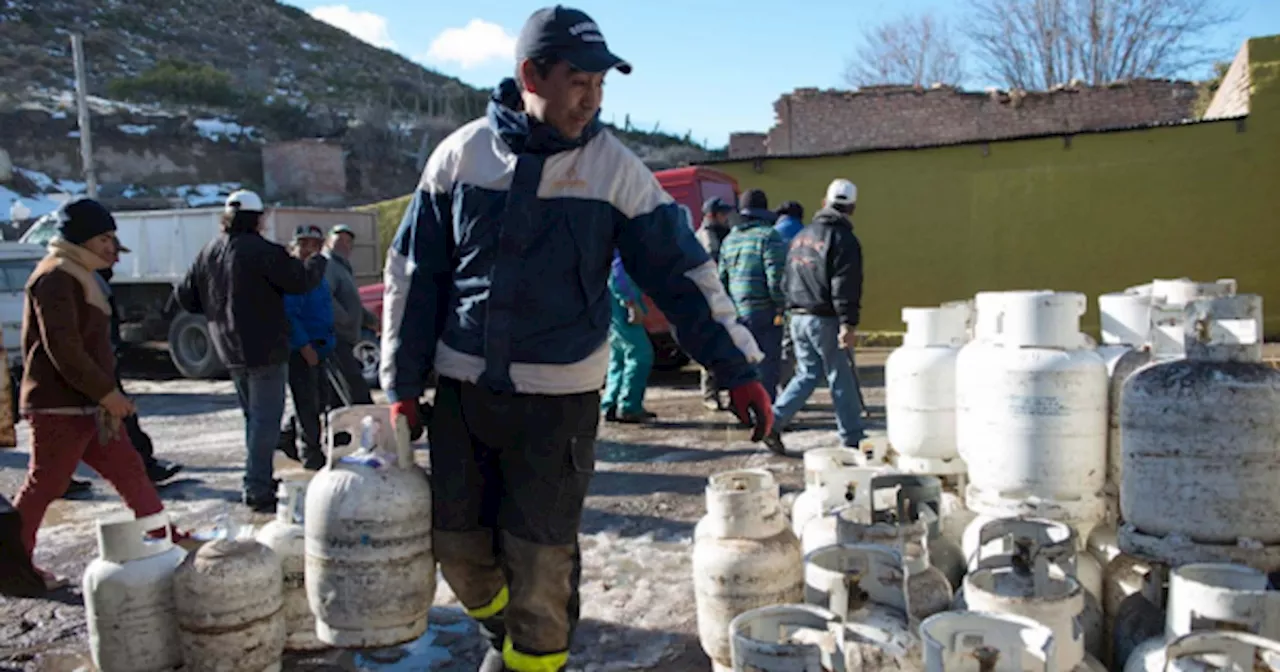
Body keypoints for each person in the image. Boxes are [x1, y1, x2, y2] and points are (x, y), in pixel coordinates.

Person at [381, 7, 773, 671]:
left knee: (540, 564)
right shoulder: (462, 157)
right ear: (532, 74)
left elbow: (683, 276)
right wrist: (401, 386)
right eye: (578, 82)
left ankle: (533, 659)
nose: (591, 99)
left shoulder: (614, 170)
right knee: (458, 550)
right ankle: (509, 641)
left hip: (557, 408)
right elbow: (414, 277)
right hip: (462, 395)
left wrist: (737, 369)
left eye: (600, 86)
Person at [12, 198, 176, 590]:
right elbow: (63, 348)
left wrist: (104, 396)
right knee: (46, 484)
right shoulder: (55, 277)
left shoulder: (79, 273)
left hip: (89, 407)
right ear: (82, 238)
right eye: (105, 238)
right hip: (61, 406)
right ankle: (12, 565)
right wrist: (107, 393)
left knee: (130, 471)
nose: (111, 247)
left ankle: (165, 540)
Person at [174, 190, 327, 513]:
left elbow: (185, 297)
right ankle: (257, 486)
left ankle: (258, 479)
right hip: (266, 348)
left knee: (254, 420)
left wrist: (218, 310)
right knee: (266, 421)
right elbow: (300, 281)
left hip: (229, 348)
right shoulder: (264, 251)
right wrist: (317, 261)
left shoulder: (208, 252)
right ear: (257, 218)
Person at [763, 179, 865, 456]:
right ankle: (853, 439)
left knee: (807, 374)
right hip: (825, 319)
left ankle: (772, 421)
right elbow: (844, 285)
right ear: (852, 208)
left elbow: (786, 279)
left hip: (797, 316)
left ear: (824, 202)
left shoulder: (801, 236)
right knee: (840, 377)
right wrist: (848, 323)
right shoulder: (844, 240)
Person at [97, 235, 184, 484]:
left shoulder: (98, 282)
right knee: (119, 422)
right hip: (96, 369)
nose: (117, 259)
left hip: (102, 365)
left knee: (121, 425)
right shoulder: (88, 283)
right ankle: (143, 468)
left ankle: (142, 471)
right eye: (112, 253)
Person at [719, 188, 788, 402]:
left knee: (743, 363)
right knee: (767, 366)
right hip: (764, 312)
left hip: (737, 311)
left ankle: (744, 408)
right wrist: (781, 305)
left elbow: (722, 278)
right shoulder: (769, 236)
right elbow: (775, 277)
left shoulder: (730, 240)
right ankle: (767, 414)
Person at [278, 225, 335, 471]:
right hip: (301, 350)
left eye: (315, 244)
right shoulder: (293, 275)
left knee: (320, 399)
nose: (309, 249)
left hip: (322, 347)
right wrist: (304, 346)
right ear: (295, 246)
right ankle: (310, 454)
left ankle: (286, 439)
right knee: (307, 403)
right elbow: (289, 316)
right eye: (304, 244)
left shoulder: (318, 274)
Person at [322, 224, 376, 405]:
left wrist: (371, 321)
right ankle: (367, 419)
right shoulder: (328, 264)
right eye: (339, 239)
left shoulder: (343, 268)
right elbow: (326, 296)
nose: (344, 244)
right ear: (329, 242)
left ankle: (340, 431)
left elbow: (353, 303)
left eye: (348, 241)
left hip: (345, 339)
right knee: (355, 386)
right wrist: (345, 319)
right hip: (334, 337)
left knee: (335, 394)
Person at [600, 252, 655, 423]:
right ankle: (629, 406)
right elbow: (618, 273)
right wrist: (630, 302)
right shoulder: (625, 241)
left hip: (612, 304)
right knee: (640, 354)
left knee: (618, 355)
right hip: (623, 303)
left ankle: (610, 403)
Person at [695, 196, 734, 410]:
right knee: (711, 345)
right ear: (713, 215)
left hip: (716, 298)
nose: (727, 217)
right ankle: (710, 394)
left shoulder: (719, 234)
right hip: (709, 299)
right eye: (723, 213)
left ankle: (720, 392)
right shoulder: (708, 238)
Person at [773, 200, 805, 390]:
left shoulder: (772, 233)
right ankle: (788, 387)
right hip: (802, 299)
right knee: (793, 347)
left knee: (777, 345)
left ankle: (777, 388)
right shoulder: (807, 234)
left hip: (772, 298)